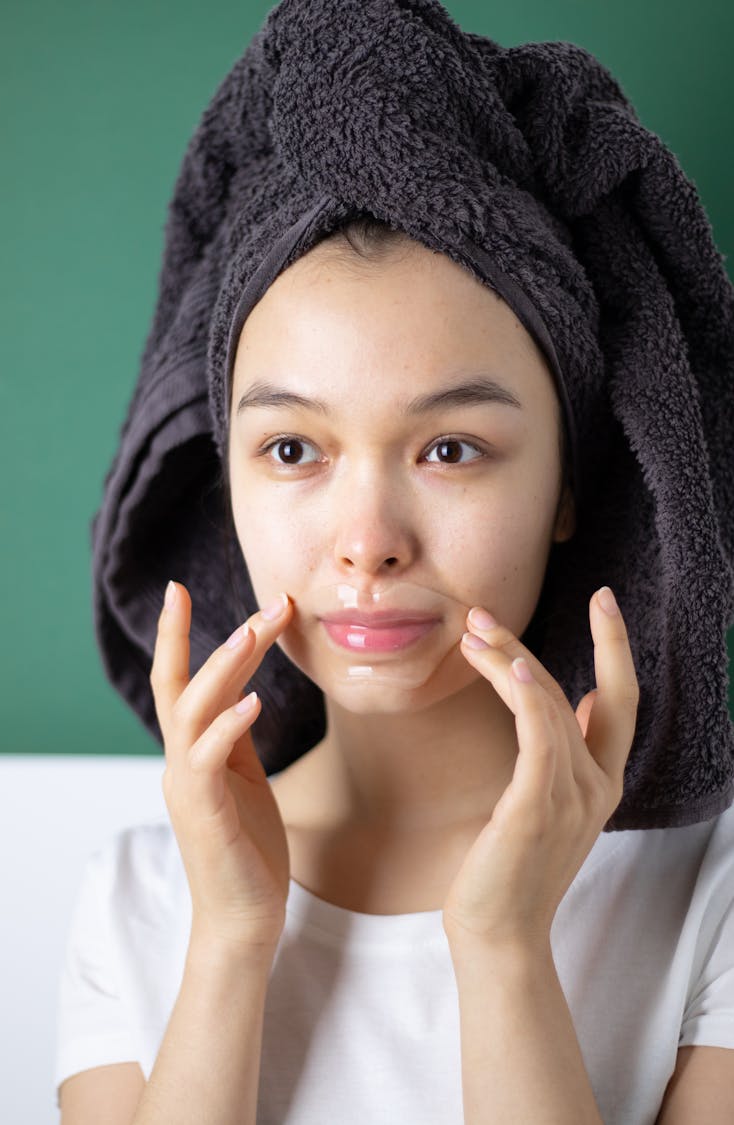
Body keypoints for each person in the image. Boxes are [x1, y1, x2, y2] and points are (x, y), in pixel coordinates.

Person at [56, 2, 734, 1122]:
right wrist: (230, 943)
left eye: (451, 449)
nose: (368, 538)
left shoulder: (707, 892)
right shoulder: (140, 899)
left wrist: (506, 946)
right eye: (291, 449)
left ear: (567, 488)